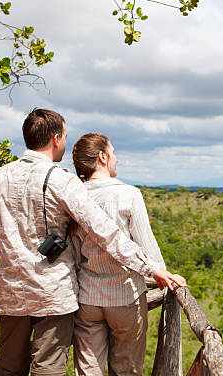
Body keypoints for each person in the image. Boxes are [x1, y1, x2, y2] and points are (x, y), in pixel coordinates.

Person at [0, 109, 185, 376]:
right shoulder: (61, 180)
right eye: (65, 137)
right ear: (56, 139)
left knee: (9, 368)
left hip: (12, 294)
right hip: (54, 295)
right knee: (48, 369)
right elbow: (104, 231)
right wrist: (151, 268)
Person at [70, 132, 184, 376]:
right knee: (127, 370)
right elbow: (147, 245)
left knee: (87, 371)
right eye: (113, 153)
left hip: (87, 297)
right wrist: (163, 274)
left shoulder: (75, 196)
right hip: (125, 296)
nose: (117, 159)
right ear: (102, 157)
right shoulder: (128, 194)